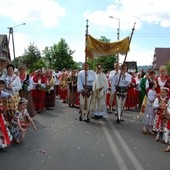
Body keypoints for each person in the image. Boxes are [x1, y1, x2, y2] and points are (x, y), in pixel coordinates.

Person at [0, 80, 13, 149]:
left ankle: (2, 143)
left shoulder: (1, 92)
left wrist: (10, 96)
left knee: (2, 127)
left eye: (2, 87)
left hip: (0, 113)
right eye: (0, 86)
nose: (0, 88)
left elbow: (6, 94)